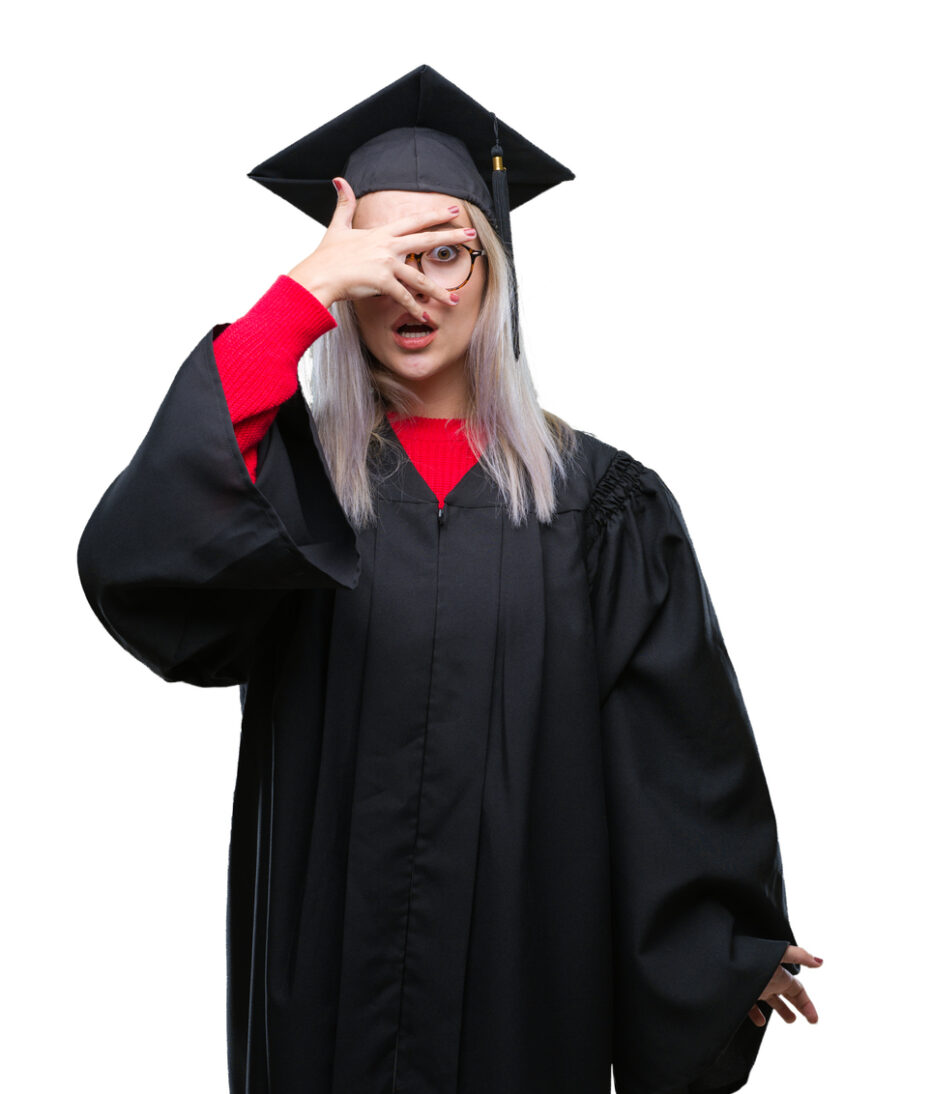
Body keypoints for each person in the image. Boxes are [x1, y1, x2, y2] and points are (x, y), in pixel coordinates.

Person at [75, 66, 815, 1094]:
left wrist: (719, 945)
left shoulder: (600, 506)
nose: (416, 288)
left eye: (446, 253)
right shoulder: (289, 491)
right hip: (320, 994)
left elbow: (668, 754)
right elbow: (140, 559)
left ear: (496, 266)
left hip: (525, 995)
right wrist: (297, 299)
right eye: (380, 261)